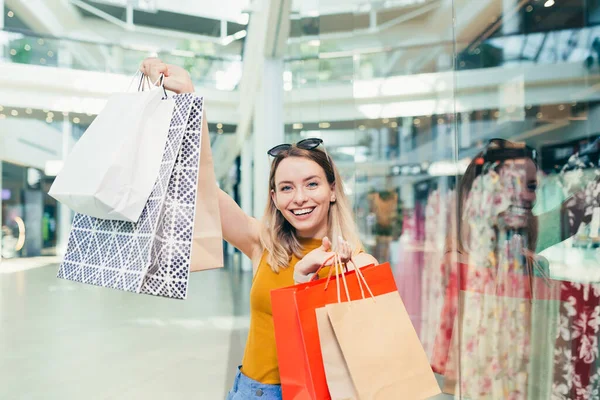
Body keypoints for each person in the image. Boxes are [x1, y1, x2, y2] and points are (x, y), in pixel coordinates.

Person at [140, 58, 378, 400]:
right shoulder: (263, 243)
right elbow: (203, 188)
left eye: (311, 184)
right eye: (286, 188)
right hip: (250, 390)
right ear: (274, 197)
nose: (299, 198)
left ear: (332, 191)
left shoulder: (354, 263)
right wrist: (188, 99)